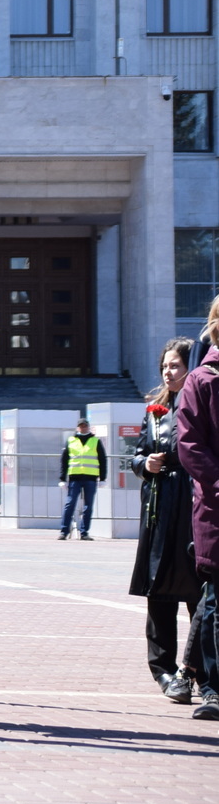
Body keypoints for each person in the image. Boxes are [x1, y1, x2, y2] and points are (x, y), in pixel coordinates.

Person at [131, 338, 203, 703]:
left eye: (175, 365)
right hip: (159, 506)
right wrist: (145, 464)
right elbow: (137, 452)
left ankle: (200, 673)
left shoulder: (203, 402)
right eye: (165, 367)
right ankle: (164, 670)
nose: (168, 372)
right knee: (157, 588)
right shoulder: (156, 411)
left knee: (197, 590)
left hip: (193, 505)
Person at [175, 296, 219, 721]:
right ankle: (212, 687)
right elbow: (189, 446)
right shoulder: (202, 380)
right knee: (215, 602)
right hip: (216, 510)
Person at [59, 417, 107, 541]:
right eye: (81, 426)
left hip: (90, 477)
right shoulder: (71, 440)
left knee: (88, 506)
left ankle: (84, 532)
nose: (83, 427)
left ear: (88, 427)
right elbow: (64, 460)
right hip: (75, 477)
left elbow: (102, 460)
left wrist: (103, 478)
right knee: (69, 504)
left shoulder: (95, 441)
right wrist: (62, 478)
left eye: (85, 425)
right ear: (77, 427)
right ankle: (64, 531)